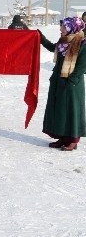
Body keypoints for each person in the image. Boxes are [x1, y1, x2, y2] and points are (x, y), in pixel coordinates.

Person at [39, 17, 86, 151]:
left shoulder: (82, 44)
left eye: (64, 27)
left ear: (73, 27)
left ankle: (73, 139)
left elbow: (82, 66)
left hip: (72, 85)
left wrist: (71, 81)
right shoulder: (63, 42)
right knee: (60, 110)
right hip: (58, 82)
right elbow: (52, 48)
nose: (61, 29)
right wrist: (42, 39)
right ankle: (63, 137)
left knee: (72, 111)